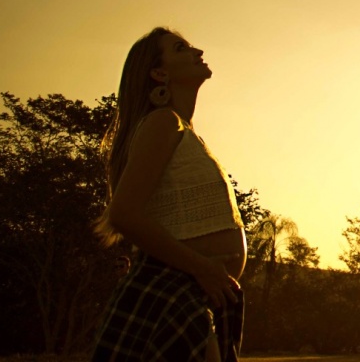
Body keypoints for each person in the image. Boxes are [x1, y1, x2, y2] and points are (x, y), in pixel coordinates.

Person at [91, 27, 246, 362]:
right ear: (159, 73)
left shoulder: (181, 131)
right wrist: (202, 268)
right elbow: (124, 214)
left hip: (196, 293)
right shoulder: (163, 122)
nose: (198, 51)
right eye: (181, 48)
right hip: (171, 288)